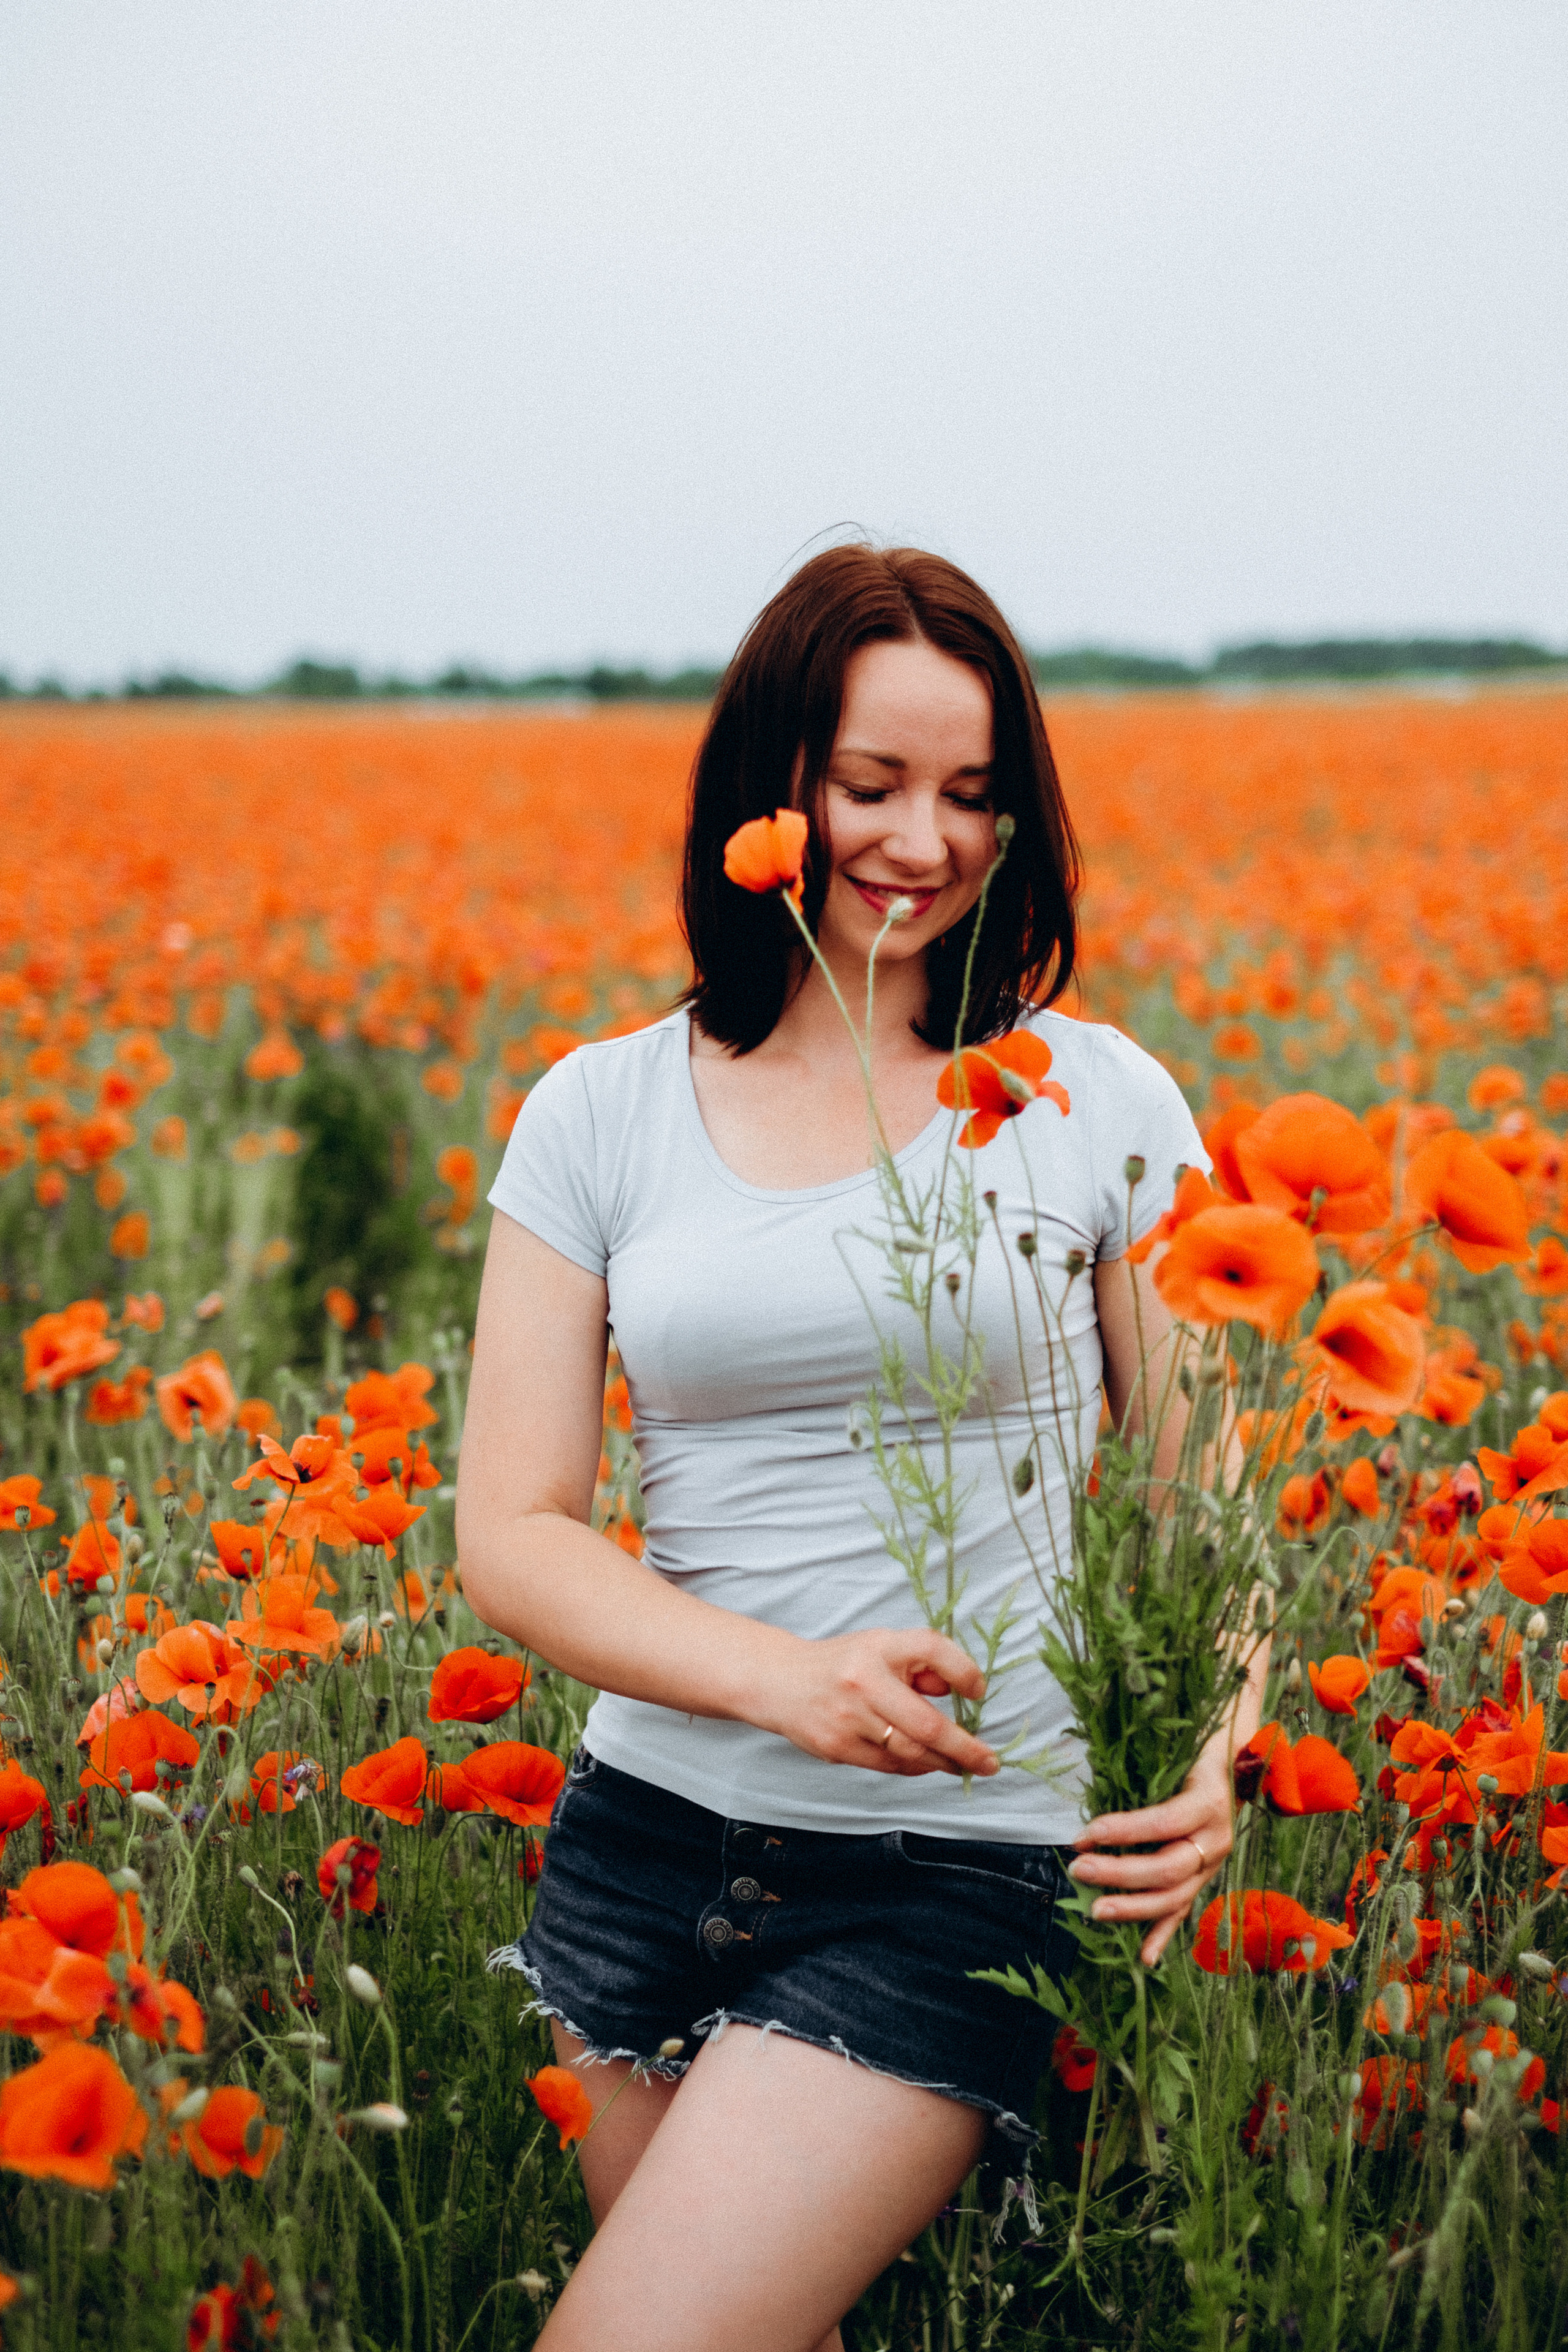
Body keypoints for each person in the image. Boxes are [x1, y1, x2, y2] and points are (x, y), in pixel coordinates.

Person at [457, 545, 1266, 2352]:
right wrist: (788, 1683)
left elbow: (1212, 1506)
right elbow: (512, 1530)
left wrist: (1222, 1756)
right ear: (775, 788)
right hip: (648, 1850)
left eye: (974, 795)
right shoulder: (599, 1110)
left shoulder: (1092, 1097)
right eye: (870, 785)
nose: (922, 840)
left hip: (960, 1870)